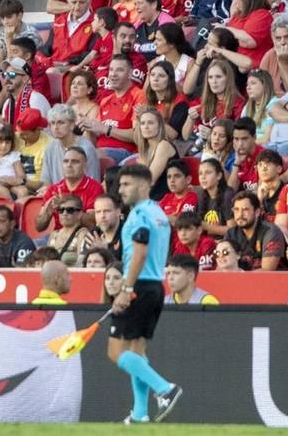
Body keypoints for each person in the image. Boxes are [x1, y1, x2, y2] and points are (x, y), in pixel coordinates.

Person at [109, 163, 184, 424]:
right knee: (137, 352)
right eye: (120, 185)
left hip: (139, 285)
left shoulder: (140, 214)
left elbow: (140, 252)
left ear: (144, 185)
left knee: (117, 352)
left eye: (127, 184)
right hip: (154, 286)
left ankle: (165, 388)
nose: (121, 190)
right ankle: (140, 414)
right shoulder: (159, 213)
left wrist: (126, 289)